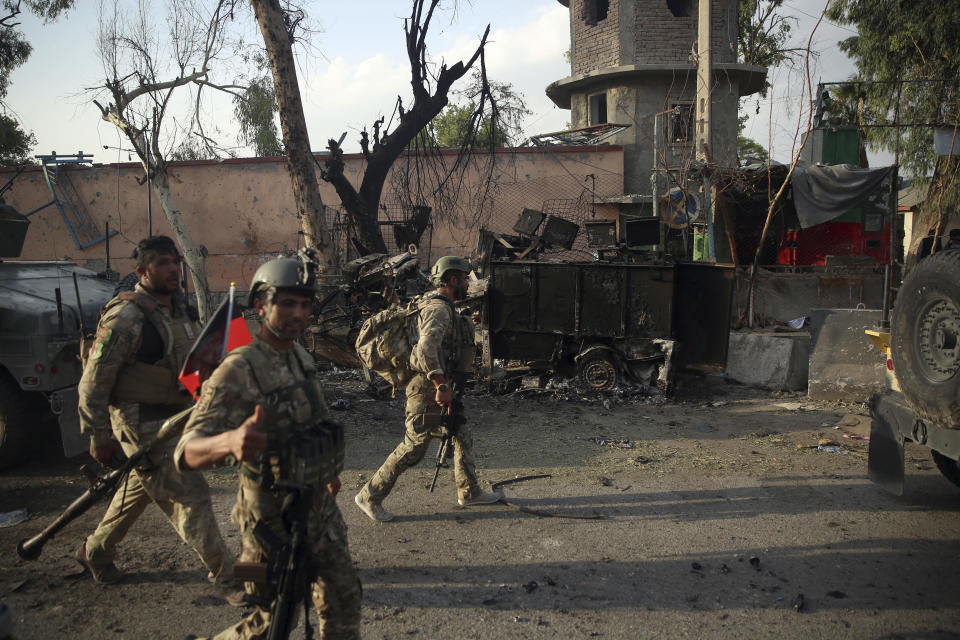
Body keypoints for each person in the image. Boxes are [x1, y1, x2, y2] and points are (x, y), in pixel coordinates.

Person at [175, 252, 361, 640]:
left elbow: (316, 421)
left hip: (318, 510)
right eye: (287, 303)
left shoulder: (301, 356)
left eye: (305, 304)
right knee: (271, 619)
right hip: (269, 521)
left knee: (344, 601)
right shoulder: (238, 368)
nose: (298, 313)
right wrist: (231, 440)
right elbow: (186, 452)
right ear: (260, 306)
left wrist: (329, 475)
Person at [76, 236, 238, 602]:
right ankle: (229, 577)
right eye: (163, 263)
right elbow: (94, 382)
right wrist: (98, 435)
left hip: (174, 412)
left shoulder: (178, 310)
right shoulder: (125, 318)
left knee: (142, 484)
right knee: (189, 492)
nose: (173, 270)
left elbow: (193, 360)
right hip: (137, 417)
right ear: (142, 271)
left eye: (175, 262)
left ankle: (95, 551)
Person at [354, 255, 501, 522]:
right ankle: (369, 495)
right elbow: (424, 351)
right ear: (453, 280)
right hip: (425, 389)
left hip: (441, 385)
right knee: (414, 446)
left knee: (461, 432)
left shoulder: (441, 305)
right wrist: (440, 385)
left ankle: (469, 492)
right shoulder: (438, 309)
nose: (469, 284)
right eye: (465, 279)